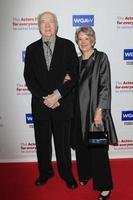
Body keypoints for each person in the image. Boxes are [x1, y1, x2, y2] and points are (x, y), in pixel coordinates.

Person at [24, 11, 79, 189]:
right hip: (41, 105)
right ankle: (45, 172)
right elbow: (29, 78)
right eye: (43, 22)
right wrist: (44, 98)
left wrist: (57, 95)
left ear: (57, 25)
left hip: (62, 104)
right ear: (38, 26)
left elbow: (73, 74)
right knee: (42, 143)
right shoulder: (31, 49)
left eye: (51, 22)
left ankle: (66, 173)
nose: (47, 26)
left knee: (63, 144)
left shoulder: (68, 46)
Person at [71, 26, 118, 199]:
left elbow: (105, 87)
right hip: (78, 114)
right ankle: (85, 175)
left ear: (93, 40)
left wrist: (100, 111)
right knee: (81, 148)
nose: (83, 42)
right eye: (80, 39)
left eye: (86, 38)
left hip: (94, 113)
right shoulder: (75, 61)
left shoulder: (101, 58)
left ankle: (105, 186)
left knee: (98, 150)